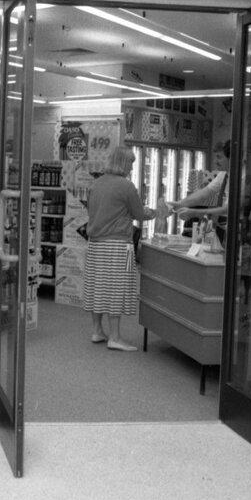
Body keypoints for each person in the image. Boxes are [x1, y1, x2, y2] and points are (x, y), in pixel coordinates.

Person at [84, 146, 157, 351]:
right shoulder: (126, 186)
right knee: (116, 288)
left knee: (96, 286)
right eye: (131, 163)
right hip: (118, 245)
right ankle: (115, 336)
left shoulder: (95, 184)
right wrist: (155, 212)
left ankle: (97, 330)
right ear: (124, 163)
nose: (132, 168)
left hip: (95, 244)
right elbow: (139, 214)